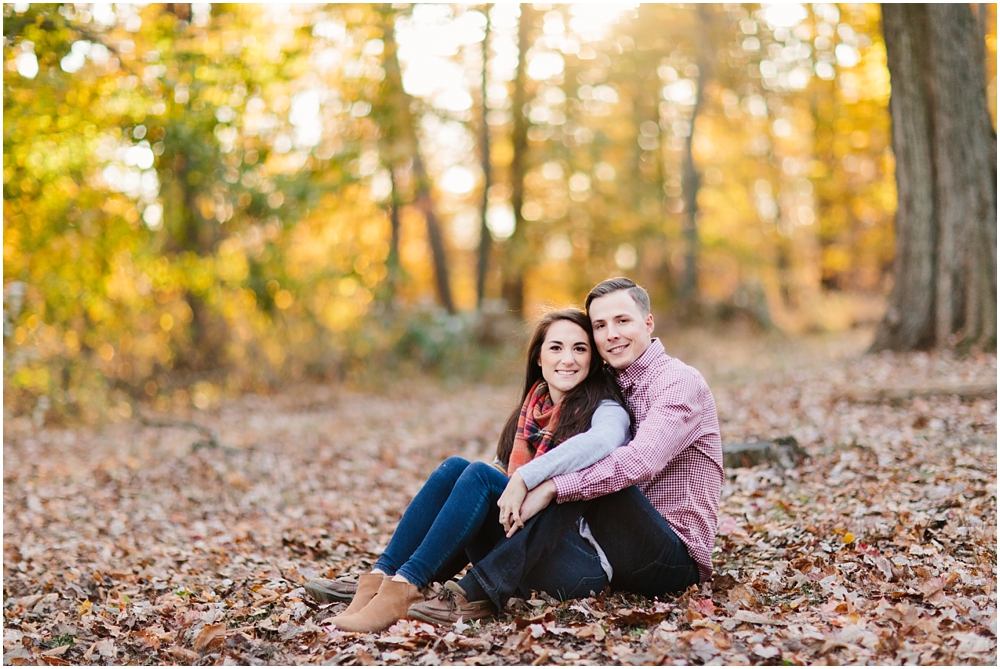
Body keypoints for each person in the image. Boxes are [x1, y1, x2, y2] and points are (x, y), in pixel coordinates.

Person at [405, 277, 723, 625]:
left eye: (622, 321)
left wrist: (551, 487)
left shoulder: (677, 382)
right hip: (609, 549)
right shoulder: (609, 383)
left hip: (673, 561)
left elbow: (640, 461)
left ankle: (479, 589)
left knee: (594, 474)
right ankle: (402, 580)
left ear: (648, 323)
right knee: (463, 471)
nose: (612, 334)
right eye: (600, 326)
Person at [311, 309, 633, 633]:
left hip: (578, 568)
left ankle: (406, 585)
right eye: (556, 347)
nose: (568, 359)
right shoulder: (532, 411)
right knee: (455, 468)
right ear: (538, 357)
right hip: (520, 550)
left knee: (480, 476)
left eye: (580, 349)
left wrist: (524, 479)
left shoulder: (606, 409)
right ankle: (383, 578)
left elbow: (603, 441)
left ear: (592, 359)